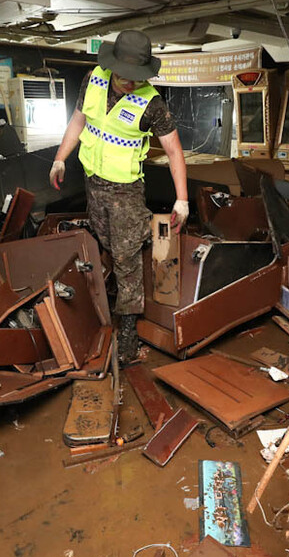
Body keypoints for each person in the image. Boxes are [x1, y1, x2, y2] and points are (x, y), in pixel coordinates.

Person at [49, 30, 189, 364]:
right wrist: (60, 157)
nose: (130, 83)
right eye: (125, 76)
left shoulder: (152, 103)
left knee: (126, 265)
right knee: (106, 246)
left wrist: (181, 200)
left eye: (137, 77)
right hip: (93, 184)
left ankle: (127, 340)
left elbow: (174, 151)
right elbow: (79, 120)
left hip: (125, 192)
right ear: (111, 66)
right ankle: (136, 252)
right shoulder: (93, 79)